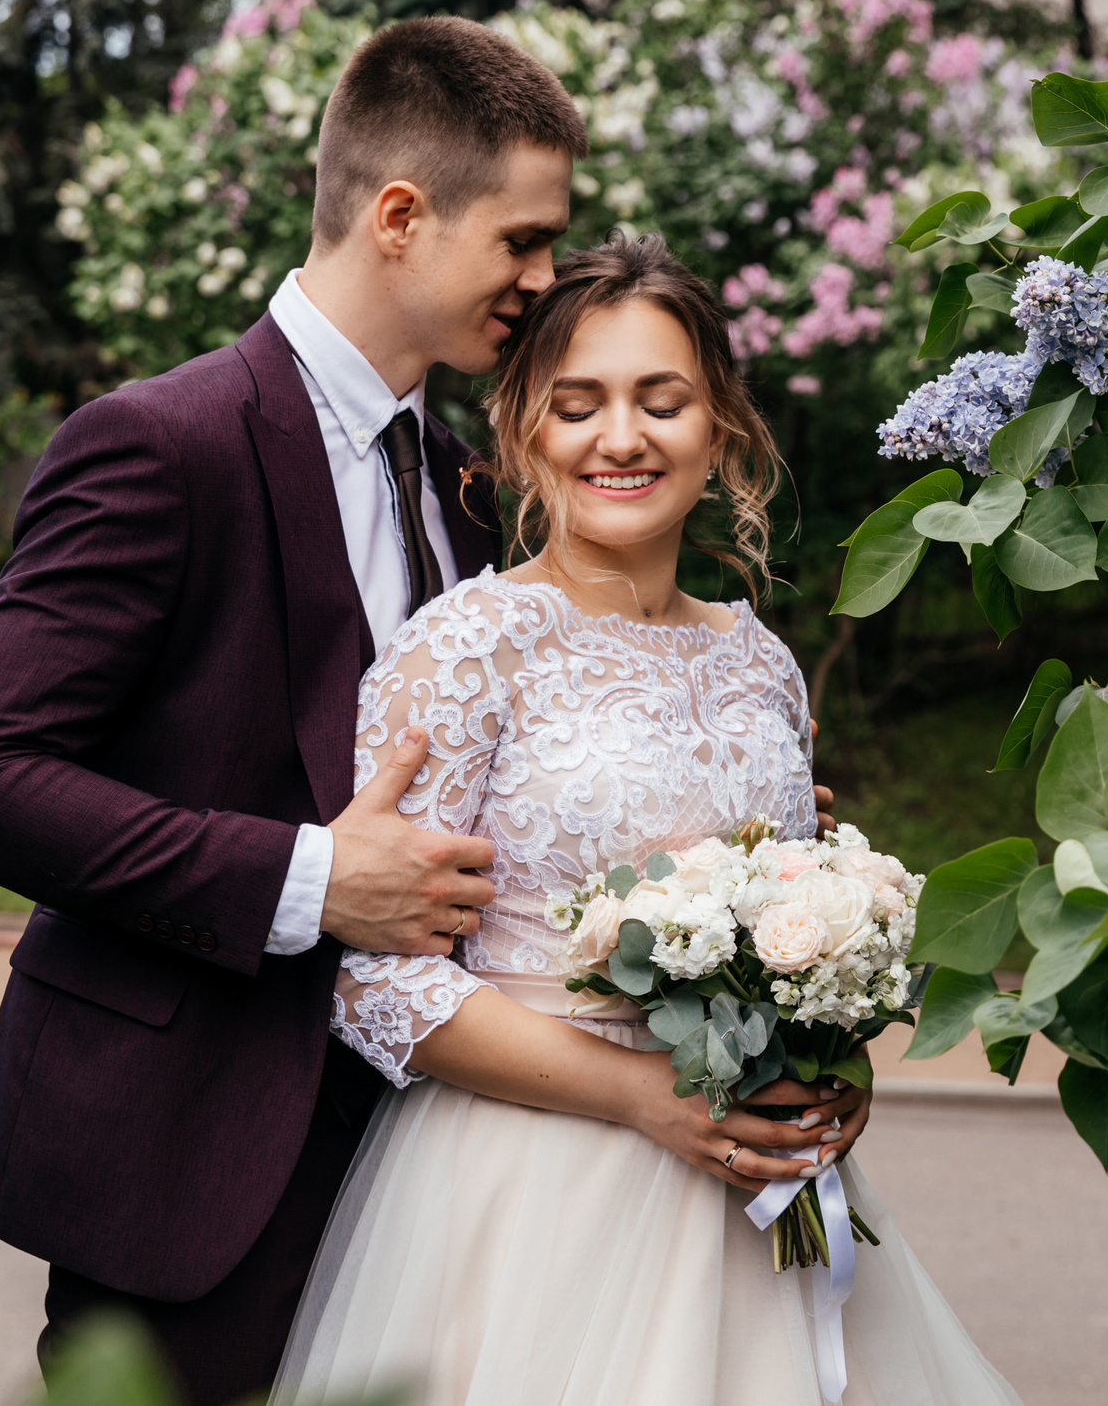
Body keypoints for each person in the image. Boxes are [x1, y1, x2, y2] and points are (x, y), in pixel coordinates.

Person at [0, 18, 864, 1404]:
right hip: (195, 1160)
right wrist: (309, 875)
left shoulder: (468, 480)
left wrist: (730, 842)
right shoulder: (162, 445)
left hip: (440, 1171)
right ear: (402, 217)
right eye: (525, 242)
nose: (542, 281)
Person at [272, 235, 1023, 1406]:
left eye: (659, 402)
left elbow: (794, 917)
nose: (619, 438)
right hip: (535, 1195)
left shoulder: (760, 662)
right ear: (524, 433)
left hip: (757, 1191)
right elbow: (374, 977)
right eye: (578, 406)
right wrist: (638, 1096)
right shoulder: (465, 651)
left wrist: (830, 1057)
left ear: (718, 426)